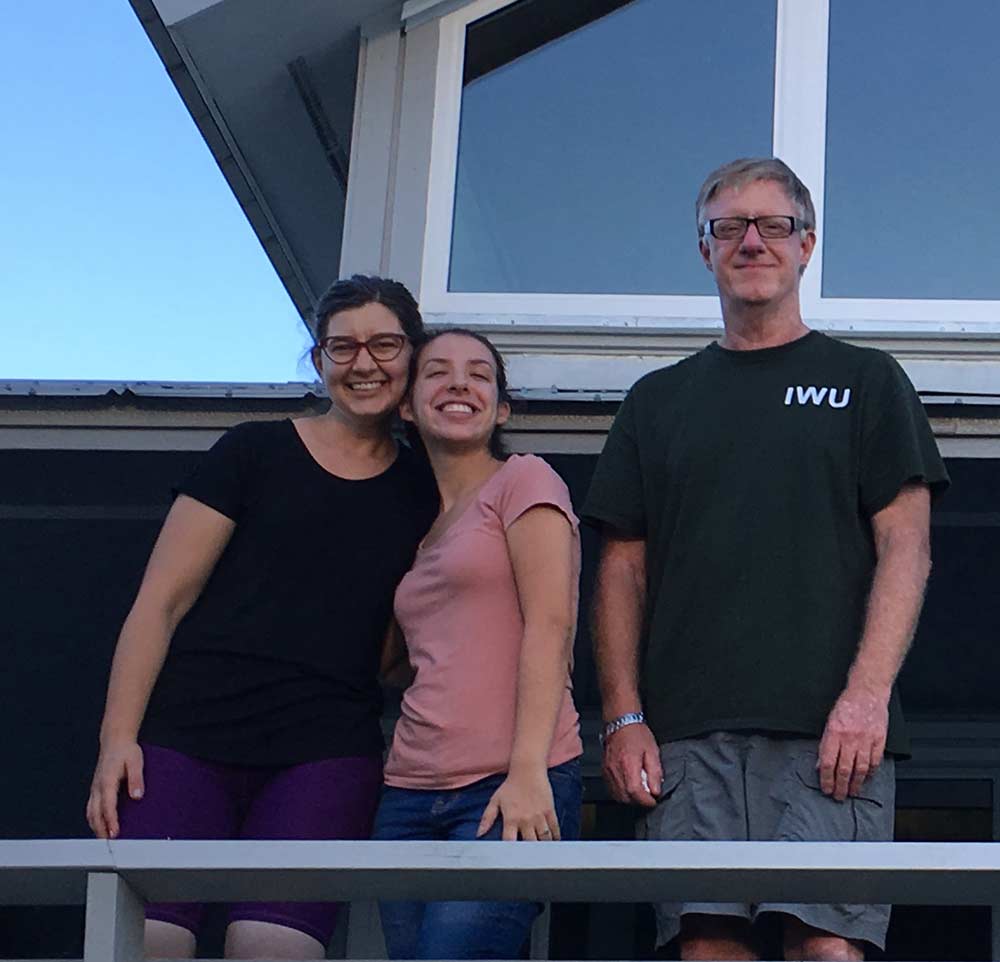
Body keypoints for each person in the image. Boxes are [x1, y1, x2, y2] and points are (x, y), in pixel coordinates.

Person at [583, 158, 949, 961]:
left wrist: (867, 696)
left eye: (773, 225)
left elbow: (906, 544)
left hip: (832, 732)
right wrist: (624, 716)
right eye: (730, 227)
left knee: (826, 949)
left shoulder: (866, 380)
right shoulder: (658, 400)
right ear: (704, 249)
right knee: (709, 950)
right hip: (685, 735)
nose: (752, 241)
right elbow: (620, 569)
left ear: (807, 245)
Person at [85, 274, 438, 960]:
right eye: (342, 347)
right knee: (146, 940)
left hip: (325, 751)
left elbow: (410, 645)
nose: (363, 363)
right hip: (189, 734)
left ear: (413, 354)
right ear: (318, 361)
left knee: (271, 947)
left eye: (385, 344)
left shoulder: (427, 489)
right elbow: (160, 602)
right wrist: (116, 738)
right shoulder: (253, 451)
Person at [372, 329, 583, 960]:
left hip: (507, 783)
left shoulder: (523, 480)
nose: (458, 383)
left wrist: (527, 771)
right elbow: (398, 664)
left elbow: (551, 625)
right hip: (407, 795)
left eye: (478, 375)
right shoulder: (417, 529)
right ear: (406, 406)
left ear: (503, 408)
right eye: (436, 372)